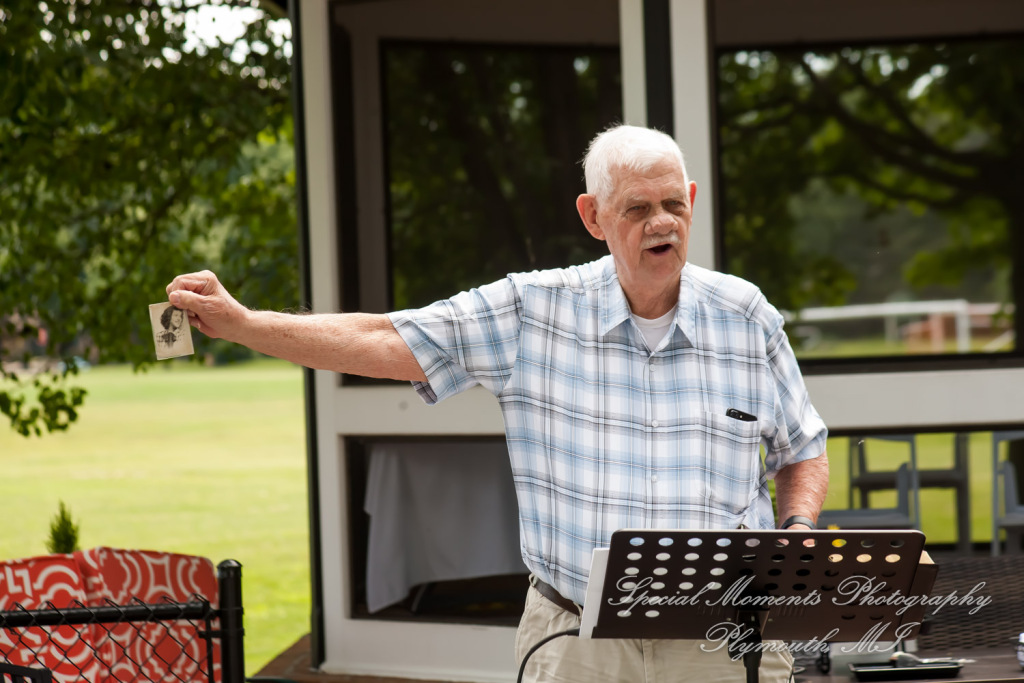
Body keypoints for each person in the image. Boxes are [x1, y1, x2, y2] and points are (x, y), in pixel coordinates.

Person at [167, 125, 828, 682]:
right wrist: (245, 324)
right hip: (578, 642)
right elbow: (386, 337)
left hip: (724, 638)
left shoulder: (747, 316)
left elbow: (802, 448)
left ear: (691, 201)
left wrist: (794, 535)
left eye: (671, 205)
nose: (660, 224)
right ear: (593, 216)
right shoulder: (530, 311)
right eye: (635, 209)